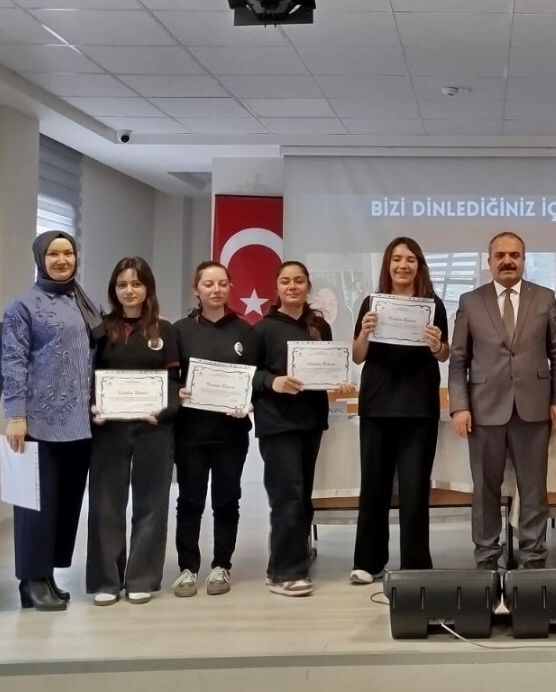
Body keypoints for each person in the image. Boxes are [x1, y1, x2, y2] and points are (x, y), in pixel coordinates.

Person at [449, 231, 556, 570]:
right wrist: (460, 406)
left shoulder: (543, 298)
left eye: (514, 255)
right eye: (500, 255)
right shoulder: (471, 301)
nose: (507, 261)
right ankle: (486, 558)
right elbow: (458, 359)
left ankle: (533, 558)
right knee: (485, 491)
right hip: (484, 410)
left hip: (534, 408)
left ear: (523, 260)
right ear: (489, 261)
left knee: (533, 490)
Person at [0, 231, 102, 613]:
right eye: (54, 254)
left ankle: (49, 575)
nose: (62, 260)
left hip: (80, 423)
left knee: (65, 502)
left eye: (69, 253)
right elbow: (13, 361)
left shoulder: (81, 300)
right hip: (39, 422)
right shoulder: (23, 306)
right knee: (36, 506)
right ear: (40, 258)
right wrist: (16, 416)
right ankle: (31, 579)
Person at [245, 260, 352, 597]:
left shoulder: (320, 326)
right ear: (276, 288)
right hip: (277, 424)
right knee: (287, 495)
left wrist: (340, 382)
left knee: (302, 498)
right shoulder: (261, 329)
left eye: (299, 281)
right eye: (285, 281)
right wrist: (273, 381)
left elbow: (329, 369)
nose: (292, 286)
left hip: (311, 421)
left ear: (308, 286)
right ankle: (285, 574)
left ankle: (287, 562)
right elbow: (248, 375)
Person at [348, 237, 450, 584]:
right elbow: (358, 355)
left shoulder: (433, 304)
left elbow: (444, 353)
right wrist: (363, 331)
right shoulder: (371, 303)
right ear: (387, 265)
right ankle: (368, 562)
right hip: (377, 404)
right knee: (373, 486)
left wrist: (438, 346)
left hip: (419, 407)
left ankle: (416, 564)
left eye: (410, 260)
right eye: (396, 259)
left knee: (414, 489)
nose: (403, 266)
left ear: (419, 265)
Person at [87, 257, 180, 605]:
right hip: (108, 429)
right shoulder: (99, 330)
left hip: (153, 429)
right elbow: (85, 379)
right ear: (114, 289)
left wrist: (166, 410)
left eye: (136, 284)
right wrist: (92, 409)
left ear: (148, 289)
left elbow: (176, 380)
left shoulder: (164, 330)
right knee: (106, 504)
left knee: (151, 502)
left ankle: (141, 577)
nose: (129, 291)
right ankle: (105, 580)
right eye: (123, 284)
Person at [170, 261, 251, 598]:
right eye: (208, 284)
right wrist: (178, 391)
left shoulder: (246, 331)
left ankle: (222, 564)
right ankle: (187, 568)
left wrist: (249, 401)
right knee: (190, 500)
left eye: (222, 284)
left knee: (227, 499)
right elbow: (170, 378)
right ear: (196, 289)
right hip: (190, 432)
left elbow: (254, 378)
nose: (215, 290)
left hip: (232, 432)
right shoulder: (179, 330)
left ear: (230, 287)